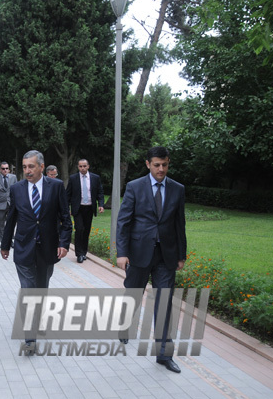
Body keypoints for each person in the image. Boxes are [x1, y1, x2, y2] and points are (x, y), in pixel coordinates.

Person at [116, 146, 187, 374]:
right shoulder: (135, 187)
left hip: (166, 255)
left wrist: (181, 255)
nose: (161, 169)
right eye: (156, 165)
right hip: (138, 252)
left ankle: (164, 355)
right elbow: (123, 221)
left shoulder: (177, 189)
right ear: (148, 164)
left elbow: (179, 224)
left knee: (164, 302)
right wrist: (121, 252)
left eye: (164, 165)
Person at [0, 150, 72, 354]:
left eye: (31, 166)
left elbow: (65, 220)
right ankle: (30, 339)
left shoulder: (56, 186)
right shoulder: (17, 189)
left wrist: (64, 243)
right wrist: (5, 245)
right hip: (23, 248)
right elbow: (11, 218)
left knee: (41, 288)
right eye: (24, 167)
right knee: (29, 290)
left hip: (48, 248)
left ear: (41, 167)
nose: (27, 171)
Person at [66, 159, 105, 263]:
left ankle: (84, 252)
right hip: (78, 208)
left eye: (84, 166)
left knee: (86, 230)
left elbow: (100, 192)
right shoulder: (73, 178)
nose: (82, 168)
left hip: (89, 208)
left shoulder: (95, 178)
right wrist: (67, 208)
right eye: (80, 166)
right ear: (78, 167)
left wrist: (101, 204)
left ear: (88, 166)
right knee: (79, 229)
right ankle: (78, 254)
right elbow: (68, 195)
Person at [0, 161, 17, 243]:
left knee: (11, 223)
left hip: (11, 204)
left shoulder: (13, 177)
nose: (5, 170)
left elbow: (17, 191)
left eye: (6, 168)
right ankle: (3, 242)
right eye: (3, 169)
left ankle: (10, 240)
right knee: (0, 225)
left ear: (9, 169)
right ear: (0, 169)